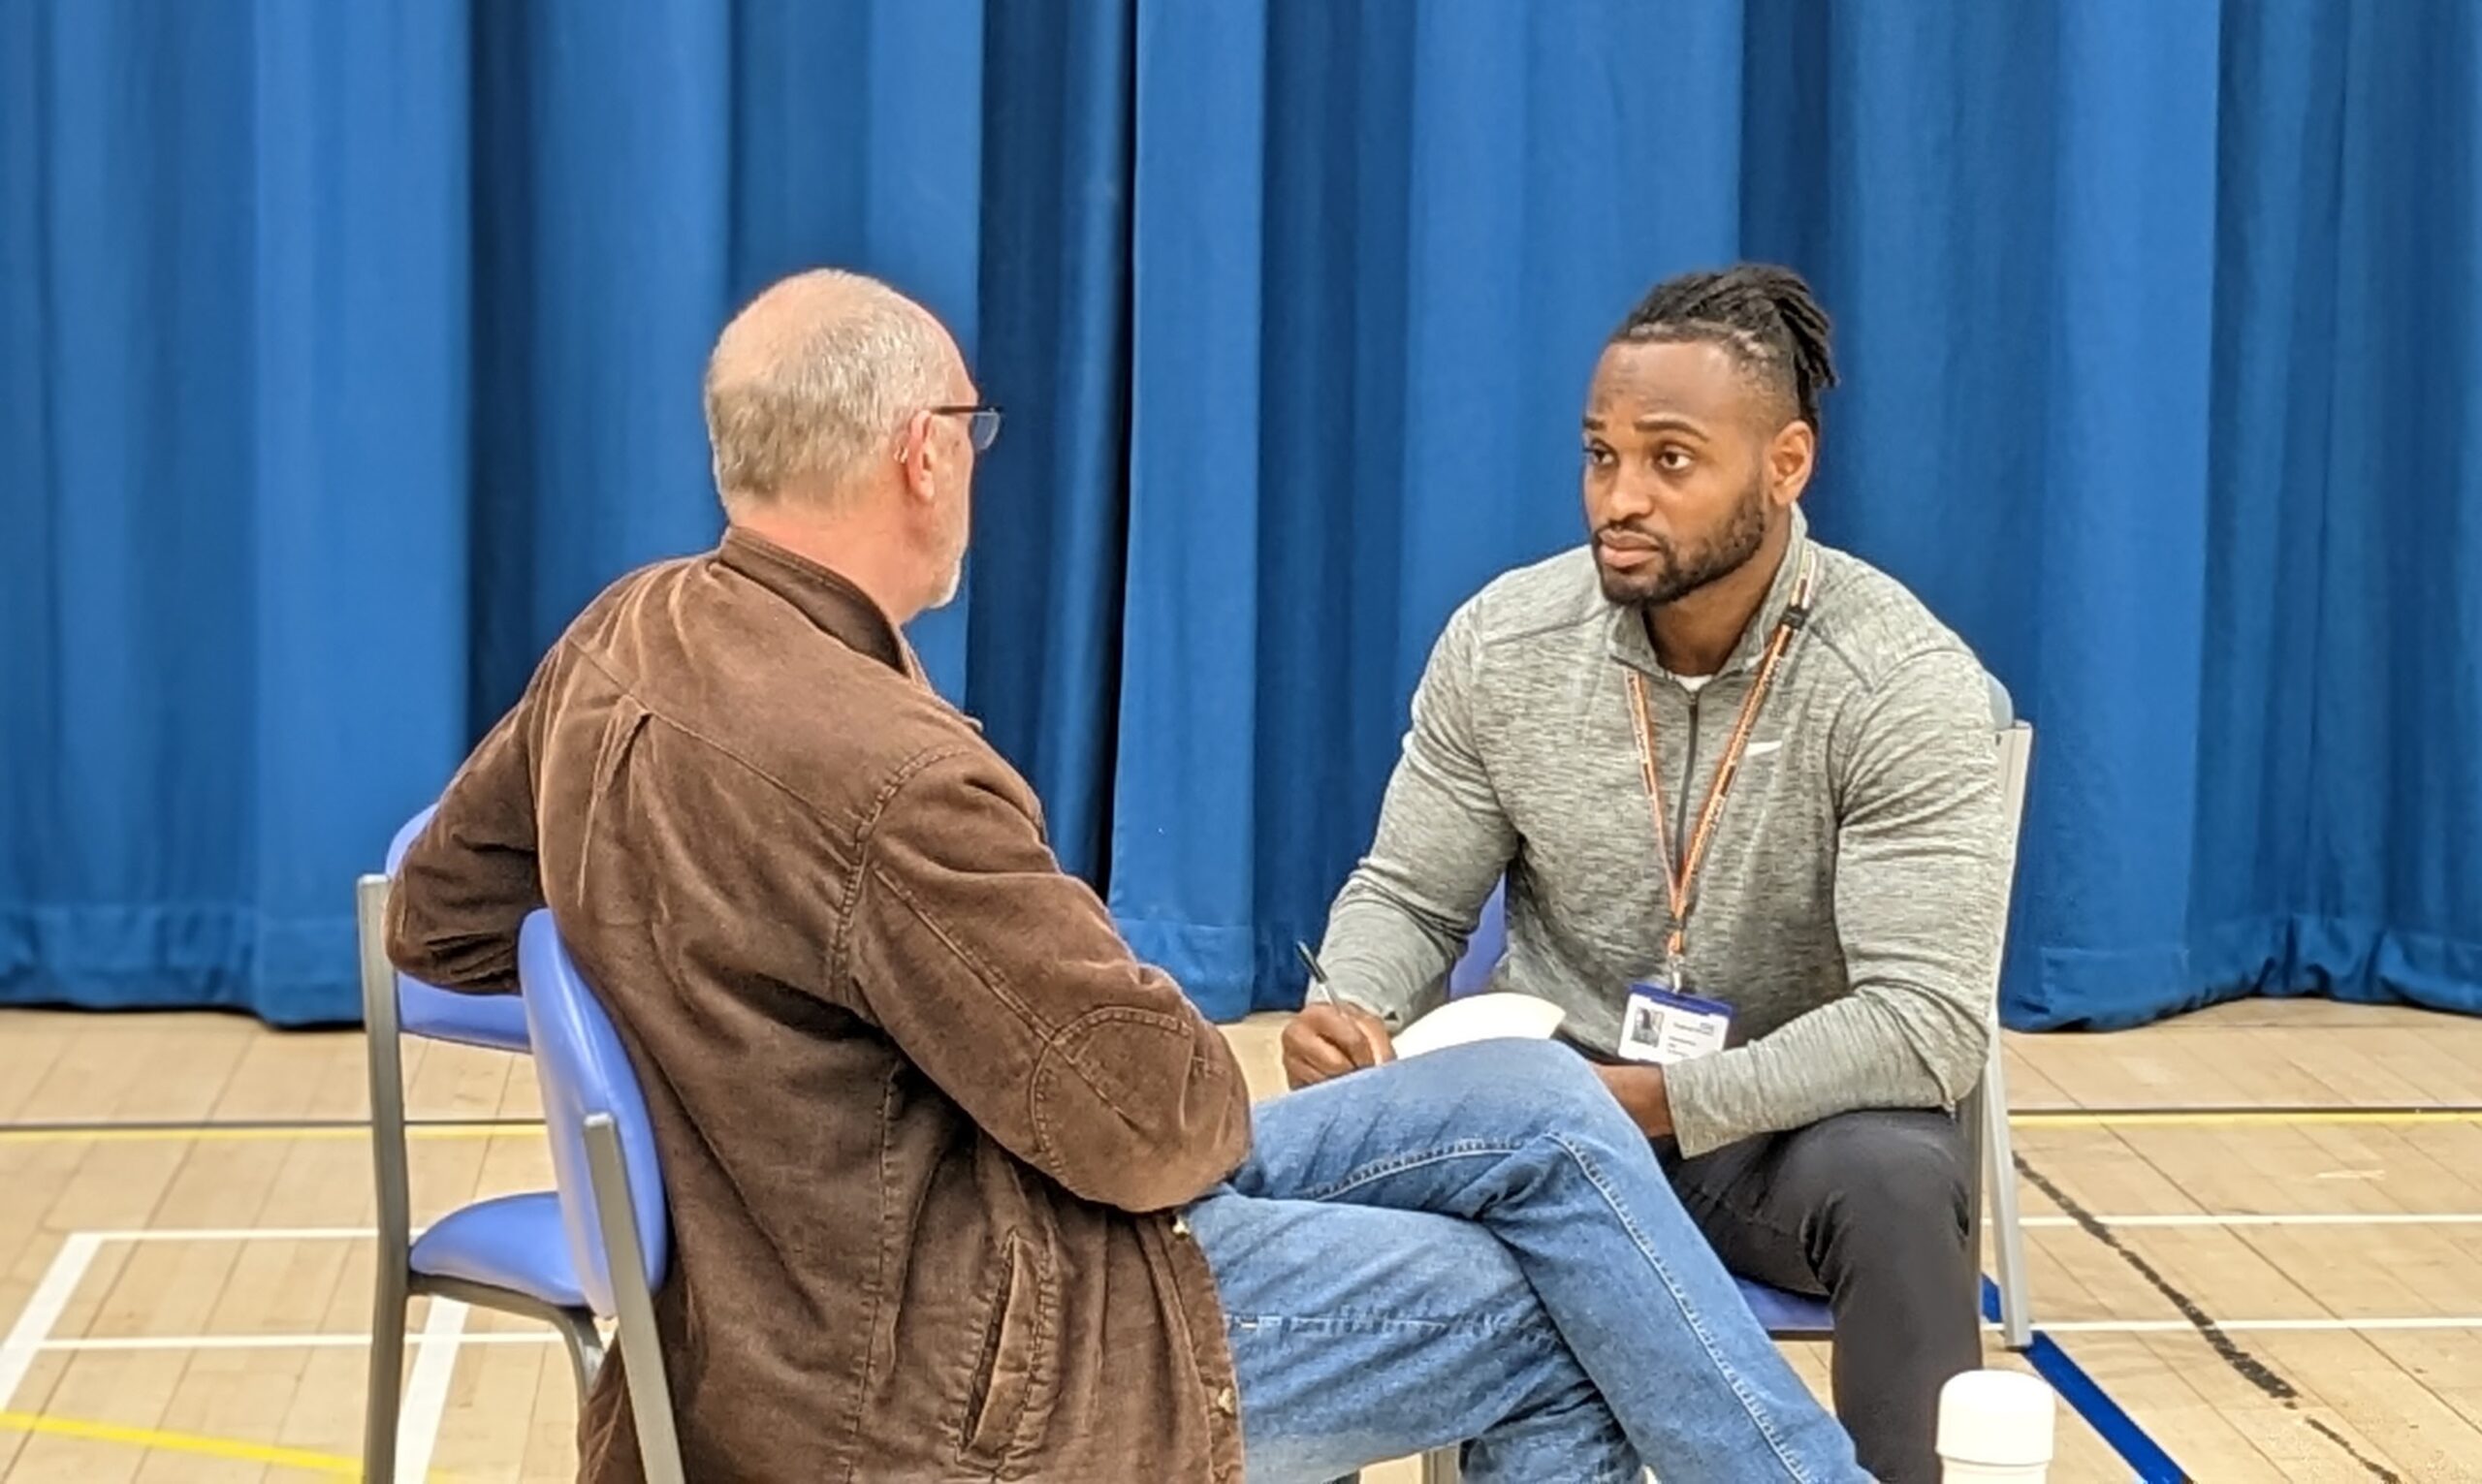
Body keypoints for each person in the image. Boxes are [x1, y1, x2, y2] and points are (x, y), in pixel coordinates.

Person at [386, 268, 1875, 1483]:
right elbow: (1153, 1125)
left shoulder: (621, 634)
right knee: (1561, 1301)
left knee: (1541, 1106)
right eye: (969, 430)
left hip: (833, 1281)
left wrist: (690, 1004)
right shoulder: (892, 775)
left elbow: (445, 916)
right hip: (956, 1362)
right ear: (922, 454)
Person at [1287, 264, 2013, 1483]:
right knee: (1314, 1158)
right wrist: (1348, 1004)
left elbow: (1925, 1026)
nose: (1618, 498)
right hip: (1543, 1107)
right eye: (1598, 455)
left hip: (1781, 1131)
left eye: (1670, 460)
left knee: (1896, 1176)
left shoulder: (1897, 679)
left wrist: (1666, 1100)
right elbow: (1407, 896)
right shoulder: (1506, 643)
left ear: (1786, 464)